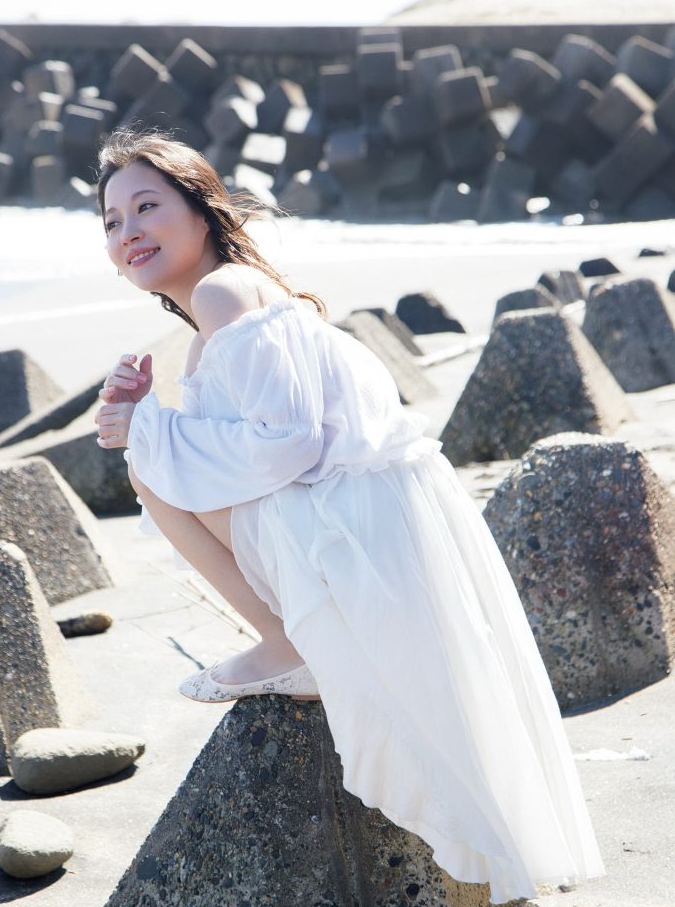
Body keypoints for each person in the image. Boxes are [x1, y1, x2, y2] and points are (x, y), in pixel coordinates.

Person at [93, 127, 605, 904]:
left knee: (151, 466)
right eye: (111, 221)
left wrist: (144, 430)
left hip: (354, 526)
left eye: (146, 207)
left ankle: (284, 642)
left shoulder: (224, 293)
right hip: (370, 520)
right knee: (156, 456)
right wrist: (148, 413)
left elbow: (286, 443)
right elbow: (243, 450)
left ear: (203, 211)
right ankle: (288, 639)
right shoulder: (220, 312)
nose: (127, 230)